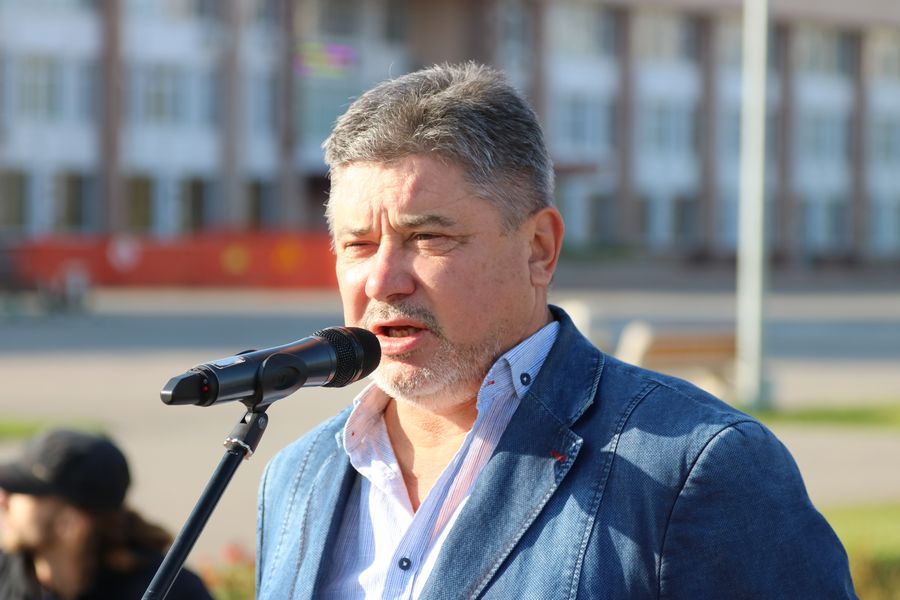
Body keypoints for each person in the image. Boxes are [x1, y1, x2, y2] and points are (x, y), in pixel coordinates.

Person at [256, 62, 856, 599]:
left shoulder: (699, 466)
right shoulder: (296, 475)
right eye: (358, 245)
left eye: (428, 237)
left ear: (539, 248)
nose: (384, 280)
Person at [0, 428, 213, 600]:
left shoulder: (169, 589)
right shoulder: (5, 575)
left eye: (20, 490)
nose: (3, 500)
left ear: (71, 522)